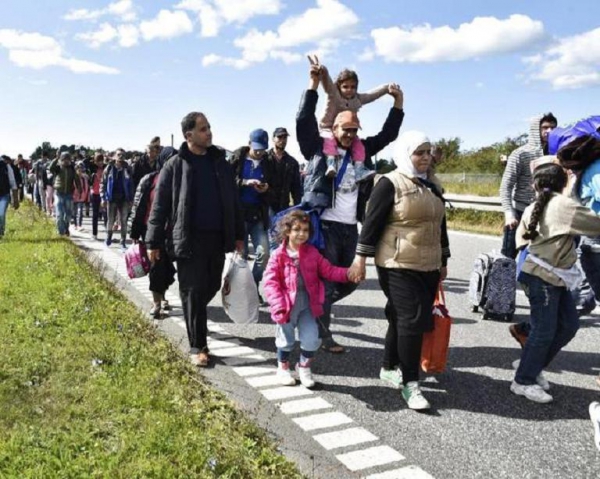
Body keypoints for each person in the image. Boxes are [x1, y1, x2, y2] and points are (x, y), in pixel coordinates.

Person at [298, 57, 404, 353]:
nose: (350, 134)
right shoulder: (318, 151)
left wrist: (398, 104)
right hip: (326, 226)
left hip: (350, 227)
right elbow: (303, 121)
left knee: (352, 280)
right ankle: (323, 335)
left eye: (354, 130)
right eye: (345, 130)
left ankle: (313, 305)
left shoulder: (362, 152)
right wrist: (313, 85)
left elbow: (388, 135)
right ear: (334, 129)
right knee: (328, 282)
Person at [353, 131, 450, 410]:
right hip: (397, 264)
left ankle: (388, 366)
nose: (425, 157)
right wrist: (360, 259)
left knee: (400, 317)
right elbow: (371, 224)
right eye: (419, 152)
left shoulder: (431, 185)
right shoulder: (389, 183)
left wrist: (443, 260)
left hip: (428, 264)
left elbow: (439, 226)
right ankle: (411, 383)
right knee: (412, 320)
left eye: (428, 152)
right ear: (406, 154)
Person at [146, 111, 244, 367]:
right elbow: (160, 207)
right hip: (188, 240)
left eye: (209, 127)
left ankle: (194, 314)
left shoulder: (220, 164)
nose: (209, 132)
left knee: (210, 285)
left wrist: (239, 236)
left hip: (216, 238)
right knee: (193, 290)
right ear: (188, 135)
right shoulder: (175, 165)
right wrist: (153, 242)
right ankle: (197, 345)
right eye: (203, 129)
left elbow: (234, 203)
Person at [510, 163, 600, 403]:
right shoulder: (563, 206)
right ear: (564, 183)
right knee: (544, 330)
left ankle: (531, 362)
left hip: (546, 274)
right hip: (543, 276)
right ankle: (523, 380)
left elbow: (520, 239)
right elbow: (596, 224)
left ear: (535, 185)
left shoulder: (535, 205)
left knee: (568, 325)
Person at [263, 210, 360, 388]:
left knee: (311, 339)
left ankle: (304, 368)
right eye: (297, 230)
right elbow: (270, 282)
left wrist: (348, 274)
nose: (301, 234)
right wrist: (277, 304)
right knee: (285, 339)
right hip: (286, 305)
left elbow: (329, 271)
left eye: (306, 230)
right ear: (287, 232)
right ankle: (283, 367)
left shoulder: (312, 253)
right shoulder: (278, 255)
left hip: (309, 304)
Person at [310, 56, 391, 182]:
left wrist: (386, 88)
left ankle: (359, 169)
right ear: (339, 86)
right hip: (328, 127)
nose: (349, 90)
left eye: (353, 87)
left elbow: (372, 95)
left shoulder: (357, 99)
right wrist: (323, 71)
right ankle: (331, 163)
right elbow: (327, 84)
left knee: (358, 145)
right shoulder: (334, 94)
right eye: (345, 86)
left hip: (346, 130)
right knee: (329, 140)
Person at [500, 113, 558, 259]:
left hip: (545, 214)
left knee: (541, 260)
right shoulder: (520, 153)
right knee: (507, 261)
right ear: (535, 129)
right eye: (545, 127)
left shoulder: (557, 154)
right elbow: (506, 186)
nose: (549, 131)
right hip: (520, 212)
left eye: (552, 127)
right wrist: (509, 213)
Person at [230, 129, 272, 305]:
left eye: (262, 149)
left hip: (257, 215)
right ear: (249, 144)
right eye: (256, 149)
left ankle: (253, 286)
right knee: (242, 256)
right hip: (238, 215)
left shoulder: (267, 163)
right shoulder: (237, 160)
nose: (259, 153)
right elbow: (227, 181)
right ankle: (240, 291)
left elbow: (274, 184)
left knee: (265, 253)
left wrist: (266, 188)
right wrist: (245, 183)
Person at [130, 170, 176, 319]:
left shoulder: (180, 179)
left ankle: (162, 296)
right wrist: (135, 232)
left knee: (167, 267)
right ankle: (156, 303)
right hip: (151, 230)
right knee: (156, 266)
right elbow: (138, 205)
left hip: (172, 231)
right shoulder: (149, 179)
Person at [263, 127, 303, 216]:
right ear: (273, 139)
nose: (282, 140)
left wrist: (297, 208)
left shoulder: (292, 162)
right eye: (279, 137)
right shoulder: (264, 158)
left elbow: (296, 188)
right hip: (266, 206)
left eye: (285, 137)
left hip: (283, 207)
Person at [101, 148, 134, 250]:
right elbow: (103, 183)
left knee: (123, 221)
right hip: (111, 198)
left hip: (124, 198)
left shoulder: (128, 169)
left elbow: (131, 184)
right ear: (115, 156)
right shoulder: (109, 168)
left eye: (122, 155)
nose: (121, 157)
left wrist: (131, 199)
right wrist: (103, 197)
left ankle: (123, 241)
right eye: (119, 154)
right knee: (110, 220)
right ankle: (109, 237)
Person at [49, 152, 81, 236]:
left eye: (68, 159)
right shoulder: (58, 168)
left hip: (69, 195)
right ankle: (60, 232)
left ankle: (66, 228)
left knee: (68, 215)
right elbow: (50, 168)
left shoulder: (72, 169)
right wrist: (56, 158)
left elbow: (77, 180)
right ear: (61, 160)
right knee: (59, 214)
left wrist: (79, 190)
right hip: (58, 194)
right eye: (64, 159)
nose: (66, 161)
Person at [0, 155, 20, 239]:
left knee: (1, 214)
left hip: (4, 194)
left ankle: (1, 233)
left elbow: (12, 181)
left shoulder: (5, 165)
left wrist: (15, 198)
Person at [89, 153, 107, 240]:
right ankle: (94, 233)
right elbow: (85, 162)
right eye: (98, 161)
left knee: (105, 214)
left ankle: (108, 234)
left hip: (103, 194)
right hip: (94, 194)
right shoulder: (92, 168)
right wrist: (92, 158)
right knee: (95, 215)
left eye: (101, 161)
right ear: (95, 161)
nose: (100, 163)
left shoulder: (106, 168)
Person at [72, 162, 90, 230]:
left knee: (80, 211)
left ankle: (79, 225)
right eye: (78, 170)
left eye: (81, 170)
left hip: (81, 197)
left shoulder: (84, 178)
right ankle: (75, 224)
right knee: (74, 212)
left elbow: (86, 188)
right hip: (74, 197)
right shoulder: (73, 178)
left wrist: (86, 197)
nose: (80, 172)